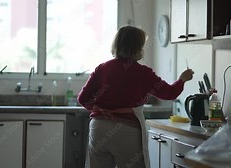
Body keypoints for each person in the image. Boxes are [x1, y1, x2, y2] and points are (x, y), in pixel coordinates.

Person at [77, 25, 194, 168]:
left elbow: (82, 99)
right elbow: (169, 93)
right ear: (137, 47)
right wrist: (182, 79)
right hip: (126, 131)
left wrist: (101, 110)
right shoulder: (142, 72)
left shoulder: (102, 68)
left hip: (98, 128)